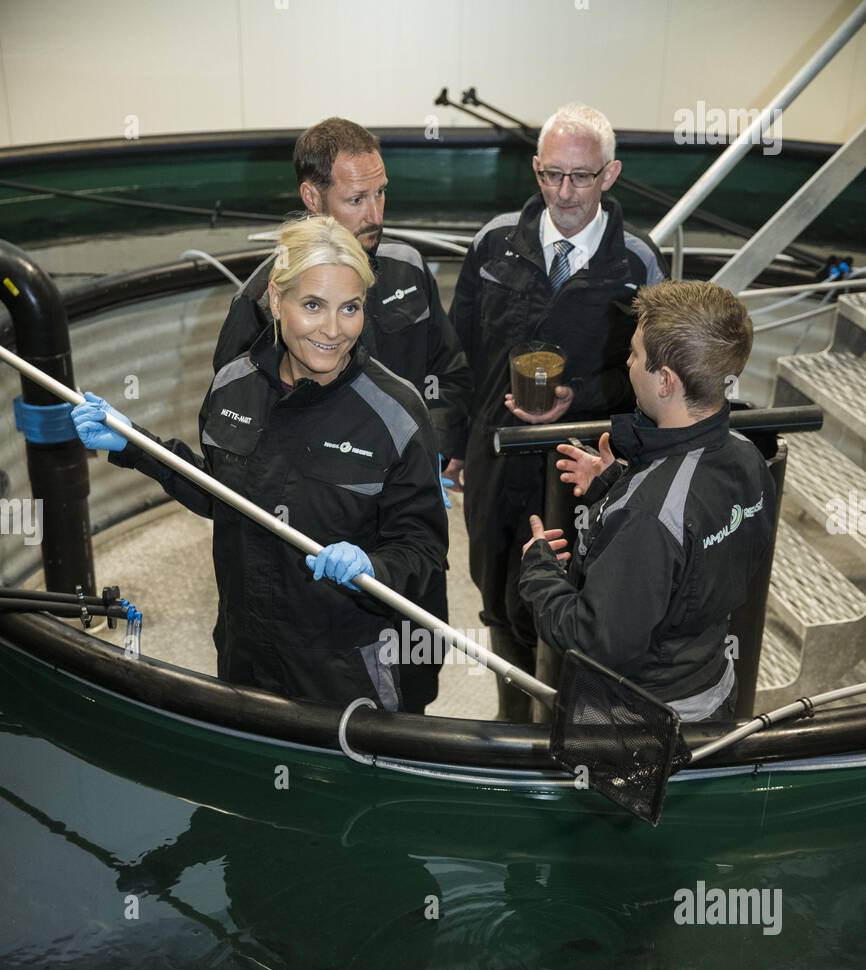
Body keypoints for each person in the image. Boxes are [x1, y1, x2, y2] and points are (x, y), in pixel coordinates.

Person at [71, 216, 448, 712]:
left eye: (350, 308)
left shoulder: (395, 414)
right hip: (245, 649)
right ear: (276, 300)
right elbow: (221, 494)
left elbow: (422, 549)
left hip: (346, 666)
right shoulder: (233, 384)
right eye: (313, 305)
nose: (334, 330)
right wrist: (134, 445)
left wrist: (371, 566)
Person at [214, 117, 473, 712]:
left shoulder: (407, 271)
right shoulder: (258, 304)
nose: (376, 212)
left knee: (407, 693)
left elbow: (450, 373)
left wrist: (429, 455)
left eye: (382, 192)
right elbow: (237, 442)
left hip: (406, 539)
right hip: (310, 563)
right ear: (313, 197)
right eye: (358, 199)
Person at [448, 104, 667, 720]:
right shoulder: (494, 245)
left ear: (611, 174)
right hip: (497, 466)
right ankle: (513, 723)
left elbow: (656, 376)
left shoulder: (637, 265)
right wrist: (458, 446)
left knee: (575, 599)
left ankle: (566, 730)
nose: (564, 193)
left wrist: (582, 399)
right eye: (551, 175)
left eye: (581, 177)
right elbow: (460, 355)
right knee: (499, 595)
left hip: (586, 472)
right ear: (536, 169)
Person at [519, 280, 775, 721]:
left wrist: (538, 571)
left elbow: (594, 641)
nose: (627, 361)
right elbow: (697, 556)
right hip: (710, 689)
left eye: (635, 353)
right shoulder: (746, 456)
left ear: (666, 381)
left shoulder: (648, 514)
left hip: (635, 721)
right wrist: (618, 484)